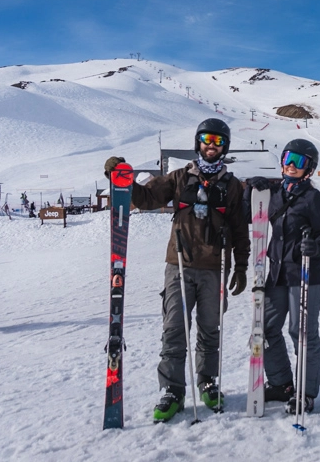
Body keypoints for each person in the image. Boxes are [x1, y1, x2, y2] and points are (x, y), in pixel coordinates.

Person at [104, 118, 250, 423]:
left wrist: (241, 266)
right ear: (198, 142)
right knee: (174, 331)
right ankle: (172, 390)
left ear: (225, 147)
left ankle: (208, 382)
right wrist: (122, 177)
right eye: (207, 140)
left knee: (210, 331)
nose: (212, 146)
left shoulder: (233, 185)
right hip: (180, 265)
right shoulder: (180, 177)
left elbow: (239, 229)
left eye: (218, 141)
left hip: (214, 268)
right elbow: (146, 199)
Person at [244, 139, 320, 414]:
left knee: (301, 331)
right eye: (288, 158)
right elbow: (254, 215)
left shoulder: (312, 198)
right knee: (267, 327)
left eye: (300, 161)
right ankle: (282, 383)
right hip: (277, 272)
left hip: (306, 273)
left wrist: (316, 245)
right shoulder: (275, 194)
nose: (291, 165)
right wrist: (251, 189)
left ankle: (305, 391)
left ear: (309, 169)